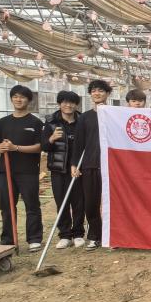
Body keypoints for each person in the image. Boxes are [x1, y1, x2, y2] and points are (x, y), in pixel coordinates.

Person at [0, 85, 43, 251]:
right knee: (6, 206)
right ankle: (8, 240)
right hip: (5, 171)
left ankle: (34, 239)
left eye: (22, 97)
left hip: (28, 171)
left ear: (29, 100)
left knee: (32, 205)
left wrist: (16, 148)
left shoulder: (35, 122)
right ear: (12, 99)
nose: (19, 100)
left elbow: (40, 147)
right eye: (15, 96)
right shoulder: (3, 122)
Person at [41, 91, 85, 250]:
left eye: (72, 102)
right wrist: (51, 138)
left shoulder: (82, 121)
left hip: (78, 169)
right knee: (62, 201)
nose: (68, 105)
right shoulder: (51, 122)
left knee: (79, 202)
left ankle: (78, 233)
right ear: (59, 104)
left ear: (76, 105)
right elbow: (44, 146)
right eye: (65, 102)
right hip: (59, 169)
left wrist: (80, 165)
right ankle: (65, 235)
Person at [72, 79, 112, 251]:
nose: (97, 93)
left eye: (101, 90)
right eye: (94, 90)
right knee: (91, 203)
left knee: (112, 203)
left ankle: (113, 235)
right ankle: (96, 236)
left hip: (111, 166)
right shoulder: (85, 117)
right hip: (90, 165)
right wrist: (75, 164)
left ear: (107, 94)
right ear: (90, 94)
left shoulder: (113, 114)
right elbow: (79, 142)